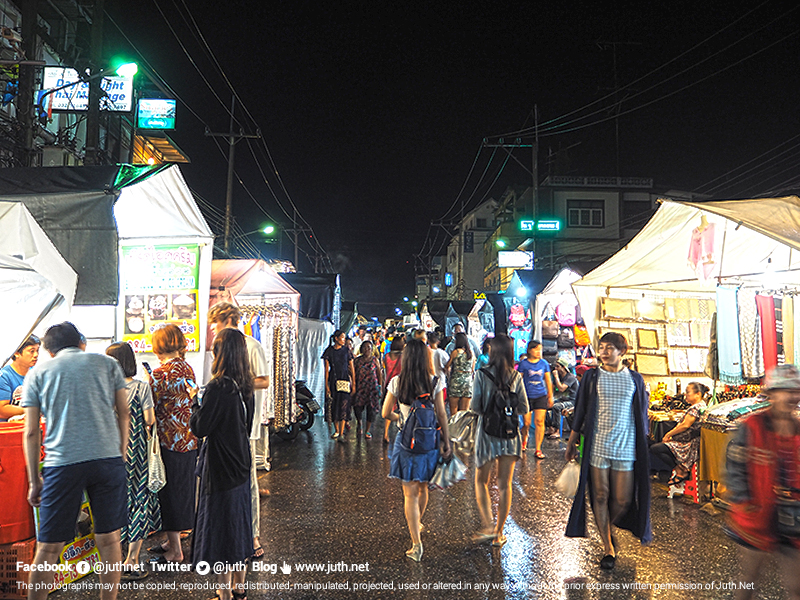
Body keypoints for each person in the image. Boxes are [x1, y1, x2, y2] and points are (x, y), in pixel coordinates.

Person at [21, 323, 129, 600]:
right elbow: (123, 413)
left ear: (48, 350)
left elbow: (31, 431)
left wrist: (35, 481)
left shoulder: (38, 374)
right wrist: (121, 452)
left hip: (63, 463)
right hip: (107, 460)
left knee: (48, 547)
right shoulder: (108, 365)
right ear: (82, 341)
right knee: (109, 539)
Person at [565, 332, 651, 570]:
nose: (603, 352)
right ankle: (608, 547)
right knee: (600, 495)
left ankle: (607, 526)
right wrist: (572, 441)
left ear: (622, 351)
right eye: (601, 347)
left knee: (623, 499)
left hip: (626, 445)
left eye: (609, 348)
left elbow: (642, 414)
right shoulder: (592, 377)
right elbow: (580, 409)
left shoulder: (635, 379)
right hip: (598, 444)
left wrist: (644, 444)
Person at [726, 364, 800, 600]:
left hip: (795, 519)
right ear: (770, 394)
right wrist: (744, 500)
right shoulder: (751, 427)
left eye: (796, 390)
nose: (792, 396)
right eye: (785, 390)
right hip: (756, 518)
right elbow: (734, 466)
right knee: (749, 582)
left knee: (796, 586)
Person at [190, 328, 253, 600]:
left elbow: (200, 428)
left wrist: (196, 402)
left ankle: (223, 592)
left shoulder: (218, 387)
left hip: (220, 466)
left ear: (220, 354)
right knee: (239, 525)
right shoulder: (245, 385)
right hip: (240, 463)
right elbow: (246, 426)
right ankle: (240, 587)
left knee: (220, 529)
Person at [208, 302, 271, 559]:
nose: (212, 329)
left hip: (246, 425)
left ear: (225, 320)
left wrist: (232, 384)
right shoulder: (220, 347)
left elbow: (264, 380)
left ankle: (253, 535)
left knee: (249, 483)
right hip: (225, 427)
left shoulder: (250, 345)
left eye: (214, 323)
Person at [382, 338, 450, 562]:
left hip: (406, 442)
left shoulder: (396, 382)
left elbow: (384, 413)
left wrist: (401, 419)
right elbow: (442, 414)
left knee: (409, 495)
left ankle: (416, 544)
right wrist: (446, 441)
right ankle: (418, 522)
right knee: (423, 489)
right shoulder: (435, 381)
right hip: (429, 440)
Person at [105, 342, 161, 580]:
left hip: (109, 452)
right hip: (136, 452)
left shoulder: (103, 389)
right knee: (139, 499)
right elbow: (149, 419)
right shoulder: (140, 387)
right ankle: (133, 559)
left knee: (115, 502)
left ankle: (114, 558)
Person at [471, 334, 528, 547]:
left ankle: (487, 524)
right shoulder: (517, 377)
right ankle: (499, 532)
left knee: (481, 481)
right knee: (505, 485)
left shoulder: (481, 374)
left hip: (486, 433)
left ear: (491, 351)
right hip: (509, 434)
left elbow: (475, 406)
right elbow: (524, 408)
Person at [147, 324, 197, 563]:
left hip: (168, 441)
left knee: (170, 493)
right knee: (183, 489)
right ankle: (171, 540)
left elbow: (151, 408)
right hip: (188, 439)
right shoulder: (188, 368)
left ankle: (175, 551)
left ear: (159, 346)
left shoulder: (160, 374)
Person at [649, 382, 709, 485]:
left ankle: (680, 470)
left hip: (689, 444)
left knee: (656, 448)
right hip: (687, 440)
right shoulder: (701, 406)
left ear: (698, 394)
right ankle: (680, 469)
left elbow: (685, 425)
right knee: (659, 447)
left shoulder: (695, 408)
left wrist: (668, 435)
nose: (685, 395)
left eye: (688, 392)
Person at [518, 341, 554, 457]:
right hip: (526, 396)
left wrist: (550, 396)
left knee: (539, 422)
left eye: (540, 349)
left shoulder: (544, 364)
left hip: (541, 395)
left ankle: (538, 449)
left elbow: (548, 380)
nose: (539, 352)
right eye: (536, 349)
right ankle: (524, 438)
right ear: (529, 350)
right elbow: (519, 380)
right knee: (526, 423)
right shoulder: (523, 364)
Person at [322, 330, 356, 442]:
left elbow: (352, 368)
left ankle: (341, 432)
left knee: (344, 405)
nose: (344, 340)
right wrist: (326, 385)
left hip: (345, 380)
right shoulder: (329, 351)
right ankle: (336, 430)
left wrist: (354, 384)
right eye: (342, 337)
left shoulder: (347, 351)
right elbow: (326, 370)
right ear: (336, 338)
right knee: (334, 404)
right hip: (333, 381)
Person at [0, 334, 39, 421]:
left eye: (37, 350)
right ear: (17, 353)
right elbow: (2, 410)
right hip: (10, 429)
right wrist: (32, 410)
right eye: (32, 351)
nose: (36, 355)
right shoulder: (4, 376)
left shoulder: (37, 373)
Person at [353, 340, 383, 439]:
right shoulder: (357, 360)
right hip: (360, 387)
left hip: (372, 388)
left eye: (369, 348)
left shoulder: (375, 360)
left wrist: (380, 386)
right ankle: (360, 424)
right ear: (361, 349)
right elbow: (353, 373)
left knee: (371, 410)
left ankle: (367, 430)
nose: (367, 350)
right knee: (357, 407)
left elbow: (379, 374)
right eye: (365, 347)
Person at [545, 358, 579, 439]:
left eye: (558, 366)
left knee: (557, 407)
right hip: (562, 399)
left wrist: (556, 377)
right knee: (544, 405)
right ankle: (550, 427)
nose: (556, 369)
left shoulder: (570, 377)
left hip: (571, 401)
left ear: (563, 367)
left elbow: (561, 388)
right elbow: (551, 389)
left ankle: (557, 431)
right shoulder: (559, 377)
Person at [382, 335, 405, 443]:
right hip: (400, 384)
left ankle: (386, 433)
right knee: (402, 408)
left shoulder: (386, 356)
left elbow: (385, 369)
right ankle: (402, 429)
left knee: (389, 409)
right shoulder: (403, 356)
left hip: (389, 384)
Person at [446, 332, 474, 414]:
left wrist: (448, 376)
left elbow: (447, 366)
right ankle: (463, 426)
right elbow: (472, 369)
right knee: (465, 411)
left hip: (456, 381)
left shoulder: (455, 352)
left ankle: (454, 426)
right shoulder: (471, 353)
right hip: (468, 382)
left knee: (454, 410)